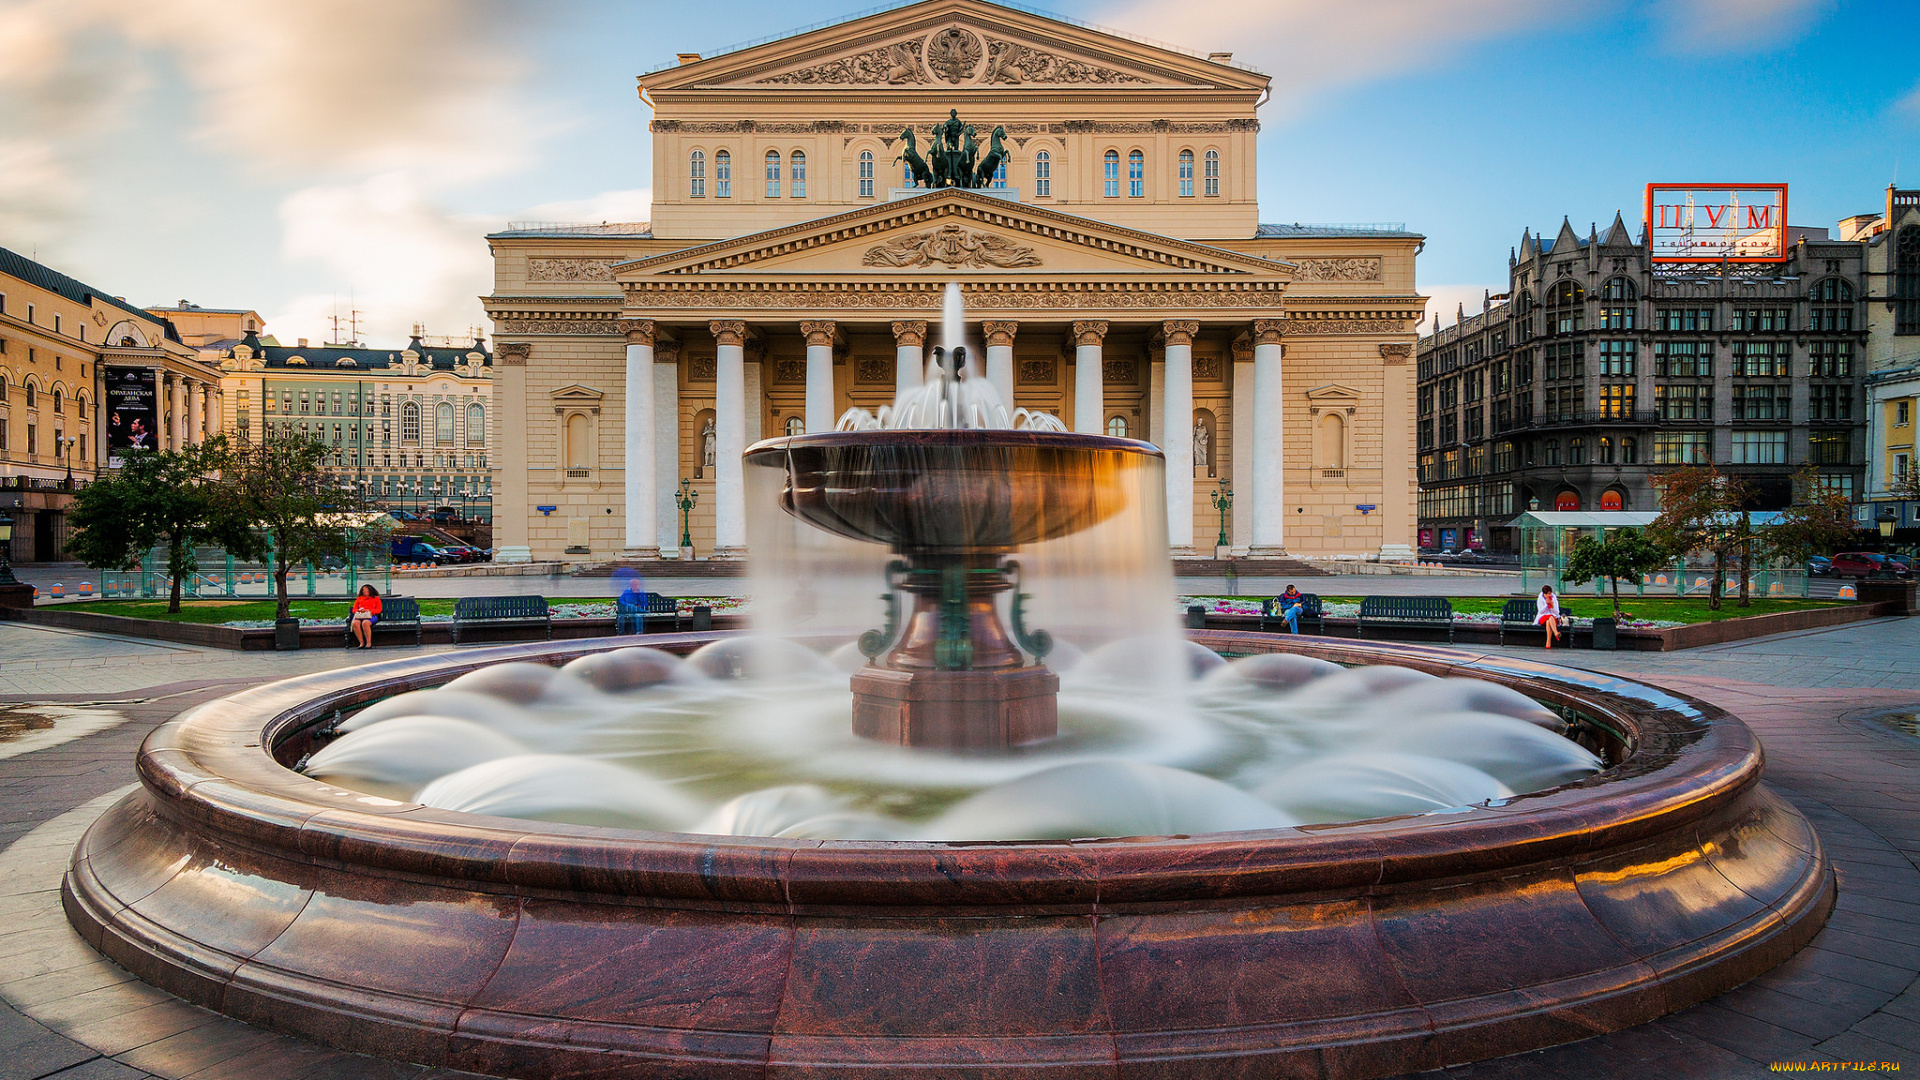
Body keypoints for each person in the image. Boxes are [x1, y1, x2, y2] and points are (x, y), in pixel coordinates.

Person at [349, 584, 382, 649]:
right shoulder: (359, 599)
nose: (364, 592)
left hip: (371, 616)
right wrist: (360, 610)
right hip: (360, 616)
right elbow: (354, 609)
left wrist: (369, 611)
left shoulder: (376, 599)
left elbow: (378, 610)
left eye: (365, 591)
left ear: (370, 591)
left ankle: (368, 643)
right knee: (355, 623)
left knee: (365, 623)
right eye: (363, 591)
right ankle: (361, 642)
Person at [1535, 584, 1562, 649]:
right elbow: (1541, 611)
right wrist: (1546, 605)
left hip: (1552, 619)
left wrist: (1552, 606)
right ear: (1544, 594)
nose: (1549, 595)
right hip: (1542, 617)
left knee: (1548, 621)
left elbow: (1557, 612)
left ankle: (1548, 643)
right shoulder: (1540, 599)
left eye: (1550, 593)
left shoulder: (1554, 598)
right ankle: (1556, 633)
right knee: (1549, 617)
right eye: (1547, 594)